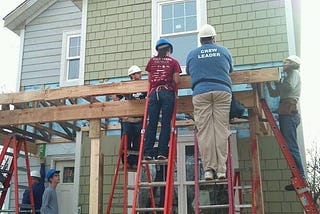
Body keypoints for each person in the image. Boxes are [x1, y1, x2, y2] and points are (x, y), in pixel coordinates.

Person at [186, 24, 233, 180]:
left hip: (201, 92)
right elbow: (229, 70)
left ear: (200, 40)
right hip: (222, 91)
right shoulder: (224, 51)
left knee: (205, 131)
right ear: (214, 38)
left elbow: (189, 71)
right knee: (220, 130)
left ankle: (208, 170)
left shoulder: (192, 54)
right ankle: (221, 170)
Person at [266, 55, 304, 191]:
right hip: (285, 111)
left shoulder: (294, 73)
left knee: (292, 146)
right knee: (289, 146)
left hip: (289, 111)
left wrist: (277, 82)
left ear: (293, 63)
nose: (284, 64)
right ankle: (297, 176)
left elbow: (287, 88)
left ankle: (301, 177)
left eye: (286, 62)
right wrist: (269, 84)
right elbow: (274, 94)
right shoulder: (287, 76)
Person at [143, 38, 181, 160]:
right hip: (166, 92)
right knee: (165, 123)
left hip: (154, 94)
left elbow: (149, 79)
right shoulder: (173, 62)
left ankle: (148, 152)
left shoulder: (151, 61)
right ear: (168, 49)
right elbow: (176, 80)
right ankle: (161, 152)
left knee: (152, 123)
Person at [119, 65, 147, 169]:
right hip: (128, 119)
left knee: (137, 142)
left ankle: (135, 163)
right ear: (132, 75)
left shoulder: (144, 85)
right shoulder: (127, 86)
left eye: (140, 73)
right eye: (137, 73)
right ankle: (125, 162)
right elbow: (116, 97)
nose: (140, 75)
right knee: (126, 141)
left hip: (139, 119)